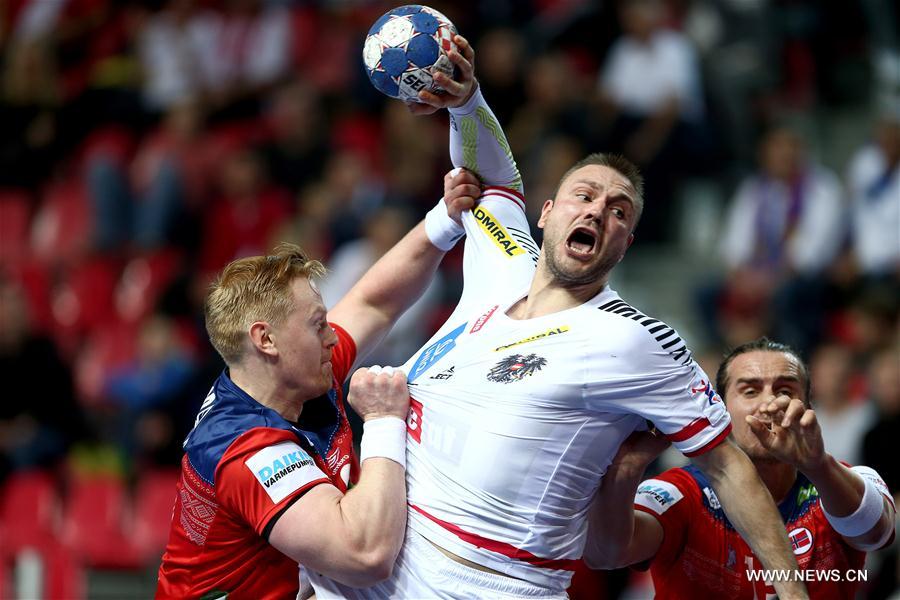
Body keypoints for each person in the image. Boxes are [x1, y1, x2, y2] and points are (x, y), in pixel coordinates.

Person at [310, 35, 807, 599]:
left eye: (617, 211)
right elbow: (494, 179)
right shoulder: (504, 258)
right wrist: (467, 101)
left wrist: (791, 590)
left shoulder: (634, 339)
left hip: (482, 586)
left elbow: (726, 467)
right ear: (547, 213)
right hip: (370, 573)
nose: (597, 209)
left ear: (625, 242)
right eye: (584, 195)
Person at [157, 155, 484, 597]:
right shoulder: (246, 448)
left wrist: (444, 220)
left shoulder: (296, 375)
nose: (333, 336)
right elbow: (365, 554)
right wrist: (385, 420)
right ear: (266, 340)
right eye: (317, 324)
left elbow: (373, 303)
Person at [584, 337, 895, 599]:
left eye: (785, 390)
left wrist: (817, 465)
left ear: (808, 407)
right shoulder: (679, 491)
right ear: (719, 408)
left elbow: (877, 535)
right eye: (750, 391)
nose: (768, 404)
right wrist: (626, 469)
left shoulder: (845, 480)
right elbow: (606, 554)